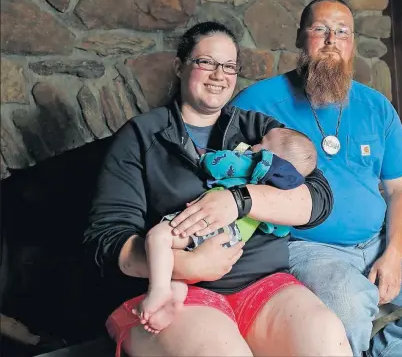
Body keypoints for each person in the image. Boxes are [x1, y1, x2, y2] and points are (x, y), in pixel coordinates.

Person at [232, 0, 402, 357]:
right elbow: (227, 176)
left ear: (352, 43)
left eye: (342, 32)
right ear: (299, 37)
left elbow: (401, 189)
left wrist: (394, 253)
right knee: (349, 307)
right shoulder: (256, 102)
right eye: (320, 29)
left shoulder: (376, 106)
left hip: (377, 239)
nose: (330, 41)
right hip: (308, 248)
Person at [83, 21, 352, 357]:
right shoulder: (140, 136)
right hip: (174, 290)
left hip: (264, 284)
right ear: (180, 67)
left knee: (328, 338)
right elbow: (106, 241)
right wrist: (190, 265)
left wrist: (241, 200)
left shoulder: (258, 128)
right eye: (206, 62)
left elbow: (318, 198)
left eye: (229, 66)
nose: (218, 75)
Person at [136, 127, 317, 333]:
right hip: (231, 240)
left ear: (272, 156)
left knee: (157, 238)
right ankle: (173, 300)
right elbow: (279, 229)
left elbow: (213, 165)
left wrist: (233, 155)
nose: (255, 143)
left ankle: (158, 290)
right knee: (179, 274)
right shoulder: (281, 193)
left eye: (263, 142)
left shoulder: (250, 162)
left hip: (207, 220)